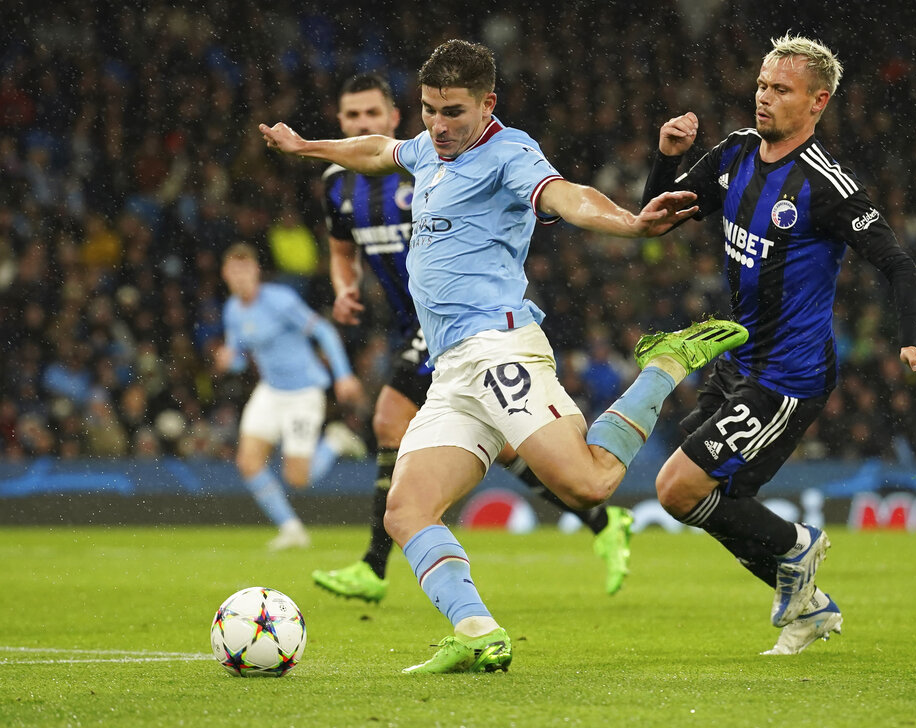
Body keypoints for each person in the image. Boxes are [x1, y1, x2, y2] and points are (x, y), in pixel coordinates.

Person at [261, 39, 747, 673]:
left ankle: (665, 364)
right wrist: (307, 147)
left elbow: (565, 195)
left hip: (499, 347)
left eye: (454, 112)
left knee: (591, 482)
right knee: (406, 510)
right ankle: (477, 631)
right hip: (451, 370)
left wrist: (628, 223)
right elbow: (380, 151)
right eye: (430, 109)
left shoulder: (508, 152)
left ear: (487, 104)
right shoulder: (429, 150)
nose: (438, 125)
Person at [642, 34, 916, 656]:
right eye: (761, 85)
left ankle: (795, 549)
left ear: (817, 102)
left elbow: (898, 265)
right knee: (708, 498)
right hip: (736, 361)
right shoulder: (732, 154)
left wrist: (911, 342)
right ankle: (807, 607)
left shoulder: (828, 186)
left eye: (781, 90)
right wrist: (667, 157)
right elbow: (658, 213)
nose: (764, 98)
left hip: (787, 375)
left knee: (678, 488)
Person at [310, 72, 637, 603]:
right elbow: (341, 250)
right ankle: (601, 521)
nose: (362, 124)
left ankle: (374, 564)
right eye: (352, 117)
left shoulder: (432, 165)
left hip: (463, 326)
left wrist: (624, 221)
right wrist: (344, 289)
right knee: (507, 446)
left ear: (390, 118)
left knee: (389, 417)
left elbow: (546, 196)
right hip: (425, 331)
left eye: (372, 114)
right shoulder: (337, 184)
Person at [215, 243, 366, 550]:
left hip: (303, 393)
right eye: (234, 271)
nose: (241, 277)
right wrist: (229, 360)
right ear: (225, 275)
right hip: (271, 390)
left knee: (297, 478)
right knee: (248, 462)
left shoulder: (280, 301)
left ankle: (336, 440)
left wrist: (344, 374)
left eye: (245, 269)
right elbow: (241, 358)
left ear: (256, 271)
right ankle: (292, 528)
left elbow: (323, 331)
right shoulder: (232, 311)